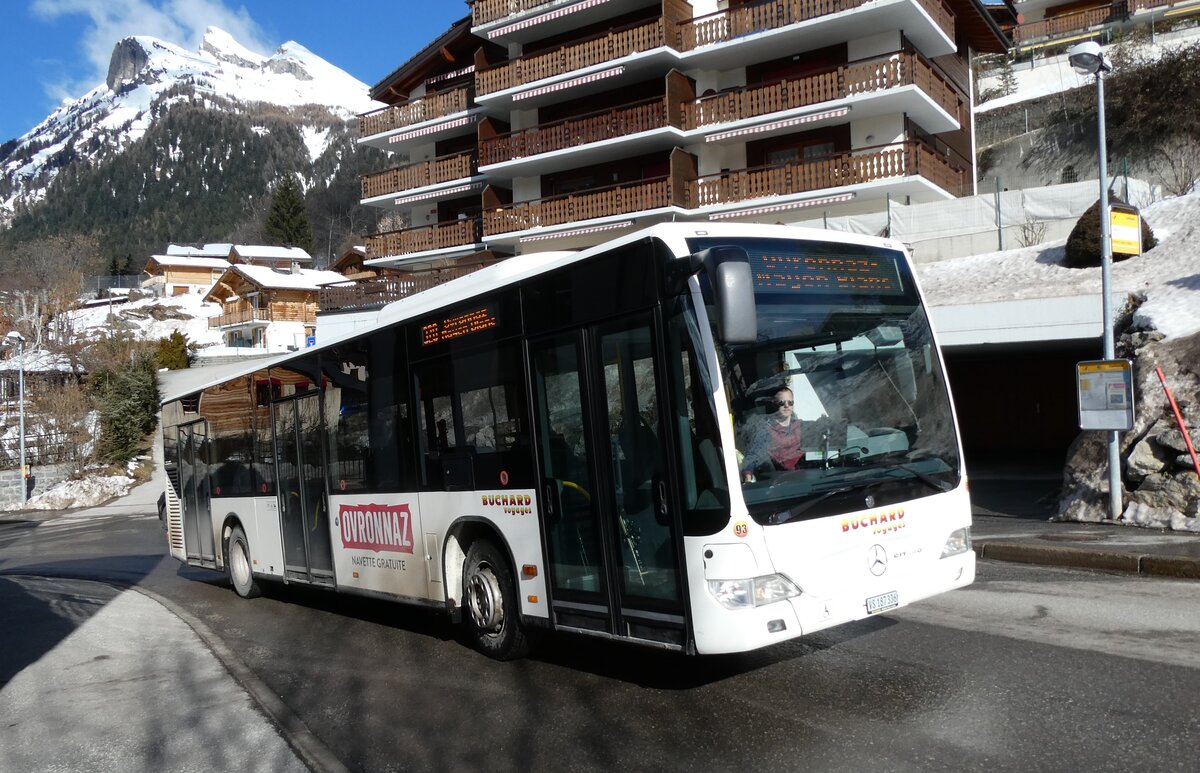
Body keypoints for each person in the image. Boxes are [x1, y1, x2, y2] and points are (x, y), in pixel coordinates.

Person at [740, 387, 804, 481]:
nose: (787, 405)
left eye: (790, 402)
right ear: (774, 404)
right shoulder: (766, 430)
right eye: (782, 402)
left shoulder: (801, 426)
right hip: (779, 480)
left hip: (803, 477)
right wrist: (748, 478)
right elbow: (753, 456)